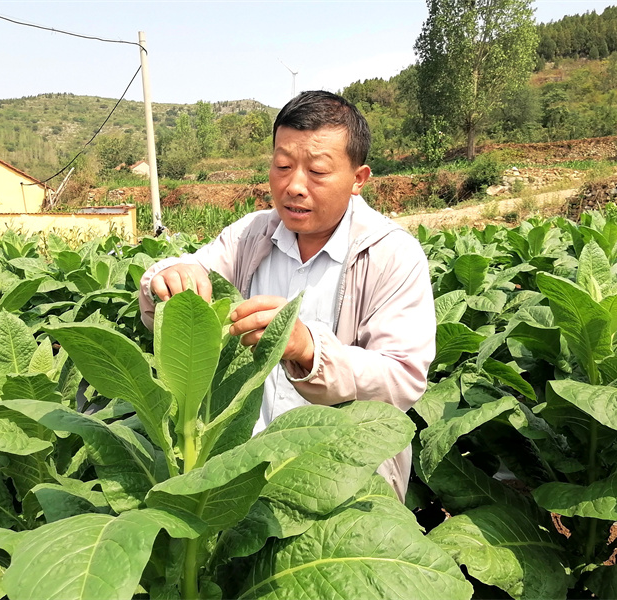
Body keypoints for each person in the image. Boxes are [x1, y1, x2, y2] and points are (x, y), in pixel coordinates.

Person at [139, 91, 435, 501]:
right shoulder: (250, 235)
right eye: (282, 166)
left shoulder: (390, 254)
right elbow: (176, 292)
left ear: (358, 179)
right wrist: (169, 279)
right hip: (237, 474)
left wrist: (309, 349)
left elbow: (402, 377)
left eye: (317, 171)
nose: (294, 186)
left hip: (337, 478)